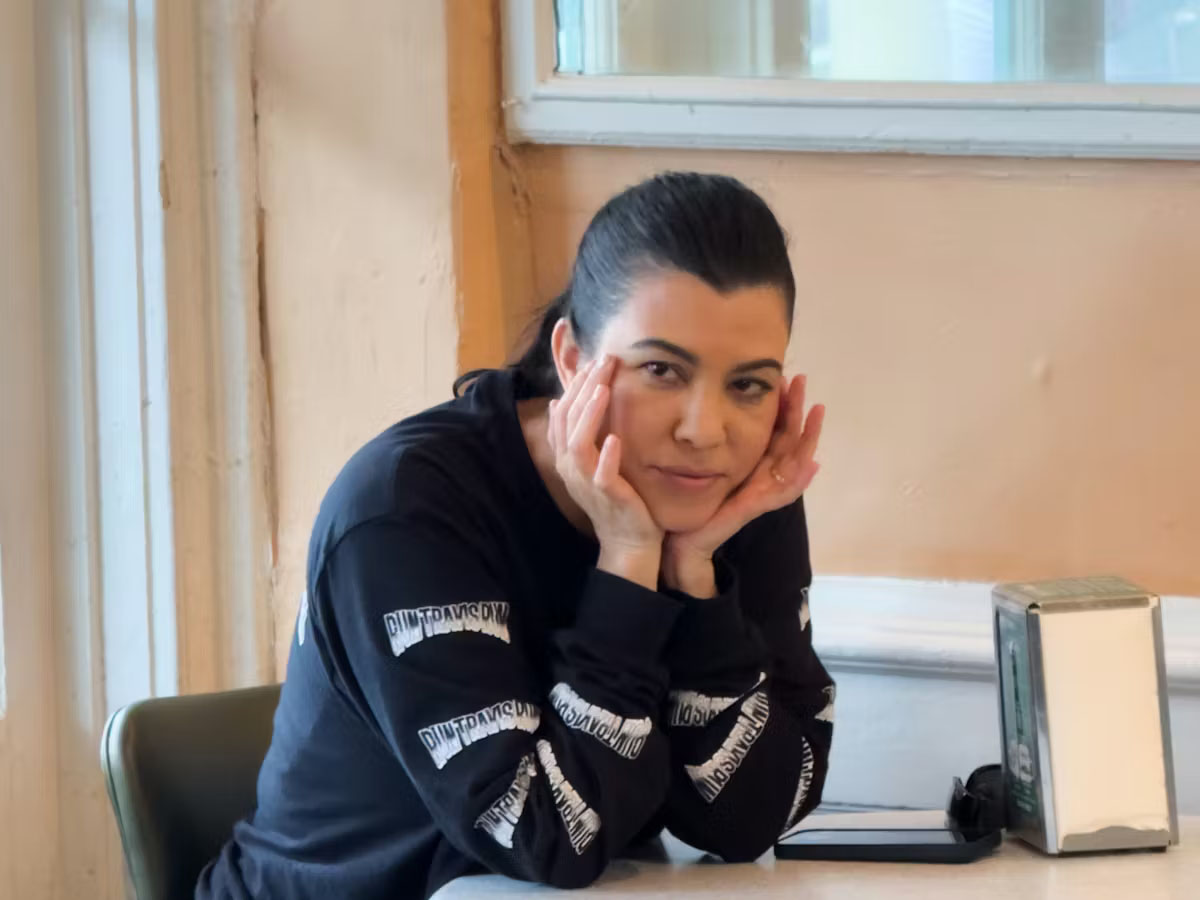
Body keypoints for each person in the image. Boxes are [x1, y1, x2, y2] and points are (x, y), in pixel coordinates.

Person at [197, 171, 835, 900]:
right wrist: (630, 563)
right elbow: (548, 838)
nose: (705, 430)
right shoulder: (407, 511)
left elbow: (757, 818)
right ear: (572, 359)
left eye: (748, 385)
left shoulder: (729, 494)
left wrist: (695, 577)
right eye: (661, 370)